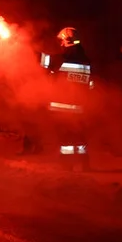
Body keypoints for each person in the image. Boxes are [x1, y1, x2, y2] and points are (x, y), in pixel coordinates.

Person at [46, 27, 92, 167]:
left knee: (66, 137)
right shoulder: (85, 59)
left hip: (65, 105)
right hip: (81, 106)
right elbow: (90, 84)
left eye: (61, 41)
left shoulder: (61, 58)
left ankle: (67, 164)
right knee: (80, 135)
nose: (60, 44)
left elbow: (43, 61)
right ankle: (84, 163)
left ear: (66, 40)